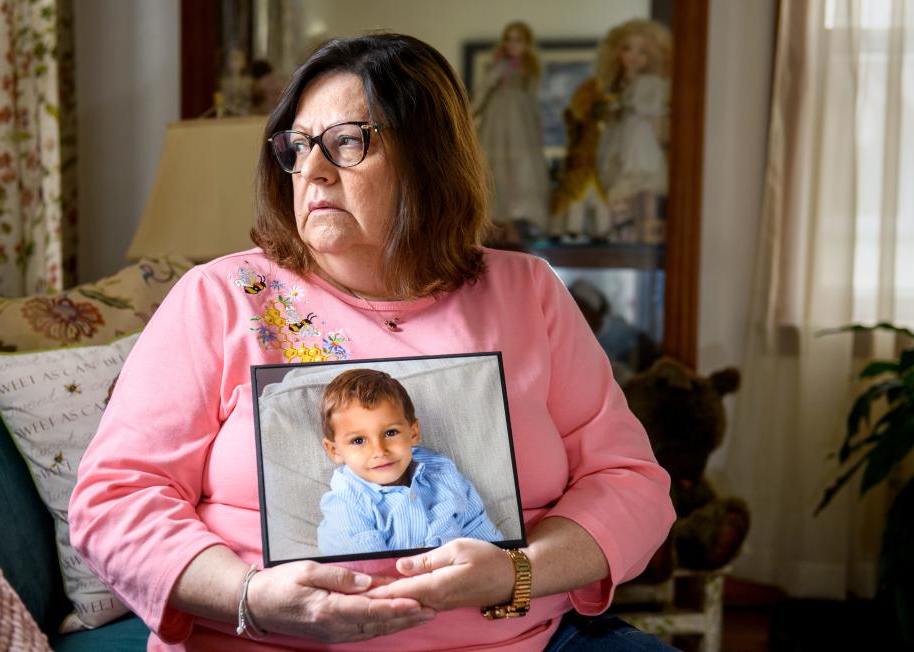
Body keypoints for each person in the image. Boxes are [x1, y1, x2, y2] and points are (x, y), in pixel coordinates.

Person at [69, 32, 676, 651]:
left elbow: (631, 483)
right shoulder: (220, 296)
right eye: (298, 146)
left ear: (427, 155)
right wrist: (250, 595)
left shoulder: (528, 292)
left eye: (347, 142)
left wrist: (518, 573)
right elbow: (114, 499)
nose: (312, 169)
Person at [317, 368, 504, 555]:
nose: (380, 451)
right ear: (335, 450)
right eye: (358, 440)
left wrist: (497, 561)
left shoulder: (442, 473)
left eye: (390, 433)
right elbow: (372, 568)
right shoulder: (346, 504)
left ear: (413, 433)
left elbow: (477, 527)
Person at [551, 19, 671, 243]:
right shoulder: (614, 86)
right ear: (616, 52)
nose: (633, 57)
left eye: (642, 52)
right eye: (627, 49)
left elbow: (653, 116)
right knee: (615, 191)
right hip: (617, 140)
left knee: (640, 188)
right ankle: (621, 232)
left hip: (637, 142)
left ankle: (645, 232)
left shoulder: (651, 85)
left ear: (653, 57)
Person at [473, 21, 551, 241]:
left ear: (527, 44)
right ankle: (499, 224)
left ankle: (514, 224)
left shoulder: (528, 69)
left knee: (520, 170)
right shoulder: (500, 65)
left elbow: (534, 101)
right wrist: (470, 115)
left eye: (518, 40)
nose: (513, 44)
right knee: (497, 169)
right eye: (509, 39)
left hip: (521, 124)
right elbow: (483, 92)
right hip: (499, 121)